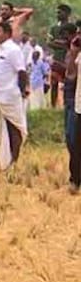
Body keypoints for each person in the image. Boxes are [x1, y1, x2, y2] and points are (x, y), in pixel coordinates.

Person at [0, 22, 29, 171]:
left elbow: (22, 72)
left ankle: (14, 161)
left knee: (15, 128)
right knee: (3, 130)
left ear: (7, 33)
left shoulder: (13, 49)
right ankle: (6, 161)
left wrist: (22, 91)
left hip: (10, 97)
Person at [64, 27, 80, 192]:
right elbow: (70, 75)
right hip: (79, 106)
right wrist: (73, 52)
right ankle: (75, 180)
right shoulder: (78, 55)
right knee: (74, 143)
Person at [49, 4, 73, 109]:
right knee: (54, 83)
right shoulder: (53, 28)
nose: (57, 14)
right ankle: (53, 106)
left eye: (60, 12)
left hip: (68, 60)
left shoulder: (72, 27)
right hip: (57, 59)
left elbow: (72, 42)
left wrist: (57, 43)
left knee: (68, 84)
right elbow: (49, 43)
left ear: (67, 14)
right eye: (57, 12)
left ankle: (65, 105)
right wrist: (64, 44)